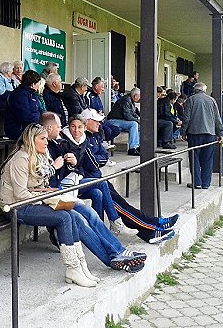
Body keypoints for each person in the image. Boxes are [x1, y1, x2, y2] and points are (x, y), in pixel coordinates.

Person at [0, 123, 146, 285]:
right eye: (42, 139)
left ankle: (115, 254)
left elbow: (40, 185)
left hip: (36, 199)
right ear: (30, 140)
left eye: (46, 139)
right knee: (65, 217)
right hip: (16, 207)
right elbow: (21, 195)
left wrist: (50, 190)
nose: (46, 142)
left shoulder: (40, 156)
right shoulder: (20, 159)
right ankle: (76, 268)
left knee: (82, 212)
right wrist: (48, 197)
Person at [64, 109, 177, 244]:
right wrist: (96, 160)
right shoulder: (81, 139)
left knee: (123, 205)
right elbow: (92, 163)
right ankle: (150, 229)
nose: (99, 124)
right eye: (96, 121)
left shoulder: (94, 136)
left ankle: (153, 224)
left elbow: (103, 157)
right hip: (90, 180)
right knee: (120, 207)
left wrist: (97, 159)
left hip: (98, 179)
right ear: (86, 122)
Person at [59, 114, 127, 233]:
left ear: (84, 128)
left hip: (80, 179)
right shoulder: (63, 142)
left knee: (97, 194)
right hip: (66, 183)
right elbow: (70, 167)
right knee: (101, 183)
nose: (76, 130)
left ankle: (98, 229)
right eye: (73, 126)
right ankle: (115, 220)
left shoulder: (85, 140)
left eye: (80, 127)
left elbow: (97, 162)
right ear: (68, 127)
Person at [180, 82, 223, 189]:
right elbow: (217, 119)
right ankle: (206, 183)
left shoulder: (191, 99)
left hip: (194, 133)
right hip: (210, 134)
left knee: (194, 158)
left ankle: (197, 183)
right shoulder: (212, 100)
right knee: (208, 159)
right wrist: (220, 133)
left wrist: (183, 132)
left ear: (195, 90)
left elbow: (187, 118)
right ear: (204, 90)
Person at [3, 70, 43, 140]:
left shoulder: (33, 94)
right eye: (38, 83)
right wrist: (40, 118)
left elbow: (40, 110)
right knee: (43, 137)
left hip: (31, 128)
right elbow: (25, 117)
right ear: (33, 84)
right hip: (18, 129)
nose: (39, 86)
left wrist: (46, 117)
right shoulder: (19, 95)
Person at [104, 88, 141, 156]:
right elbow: (128, 116)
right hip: (112, 121)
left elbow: (132, 113)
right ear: (135, 95)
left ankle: (137, 147)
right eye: (139, 96)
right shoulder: (125, 100)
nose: (140, 98)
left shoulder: (131, 100)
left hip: (120, 121)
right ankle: (132, 148)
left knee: (139, 125)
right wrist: (138, 120)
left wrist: (138, 118)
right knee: (134, 124)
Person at [87, 76, 121, 144]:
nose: (103, 89)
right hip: (93, 122)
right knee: (107, 130)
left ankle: (102, 142)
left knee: (117, 129)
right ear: (96, 86)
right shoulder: (89, 95)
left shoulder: (97, 96)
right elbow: (88, 111)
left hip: (102, 122)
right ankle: (100, 143)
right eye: (102, 87)